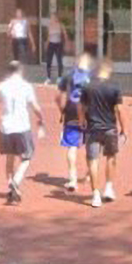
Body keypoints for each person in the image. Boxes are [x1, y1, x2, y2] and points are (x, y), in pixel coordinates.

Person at [0, 59, 44, 204]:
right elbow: (35, 107)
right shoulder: (26, 86)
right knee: (27, 157)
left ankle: (11, 187)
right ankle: (16, 180)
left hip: (6, 127)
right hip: (22, 127)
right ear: (20, 71)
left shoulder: (2, 86)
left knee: (9, 158)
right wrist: (41, 119)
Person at [80, 57, 126, 209]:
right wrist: (124, 128)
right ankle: (108, 187)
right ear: (108, 70)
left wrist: (82, 121)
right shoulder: (115, 87)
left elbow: (82, 107)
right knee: (111, 158)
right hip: (109, 128)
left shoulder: (87, 86)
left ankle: (95, 195)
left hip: (92, 128)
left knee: (93, 161)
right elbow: (119, 110)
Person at [55, 49, 93, 191]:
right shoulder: (92, 77)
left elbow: (57, 97)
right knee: (91, 144)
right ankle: (90, 174)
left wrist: (62, 110)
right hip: (89, 112)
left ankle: (72, 179)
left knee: (71, 146)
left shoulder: (68, 76)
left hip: (71, 111)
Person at [44, 11, 68, 82]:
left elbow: (65, 35)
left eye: (53, 17)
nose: (52, 18)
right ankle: (48, 77)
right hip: (51, 44)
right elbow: (48, 37)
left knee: (59, 61)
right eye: (51, 17)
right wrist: (46, 44)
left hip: (58, 44)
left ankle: (59, 77)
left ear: (56, 18)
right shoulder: (50, 26)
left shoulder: (61, 25)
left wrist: (66, 44)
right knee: (49, 61)